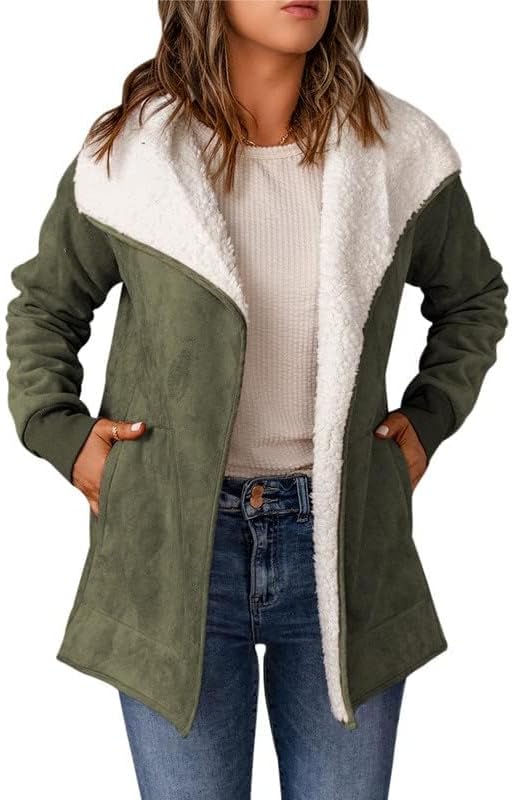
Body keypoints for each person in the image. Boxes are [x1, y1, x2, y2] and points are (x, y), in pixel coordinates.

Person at [5, 2, 508, 798]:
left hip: (344, 540)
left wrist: (429, 418)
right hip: (175, 544)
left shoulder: (396, 151)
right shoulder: (132, 158)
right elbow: (44, 308)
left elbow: (472, 298)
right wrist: (64, 437)